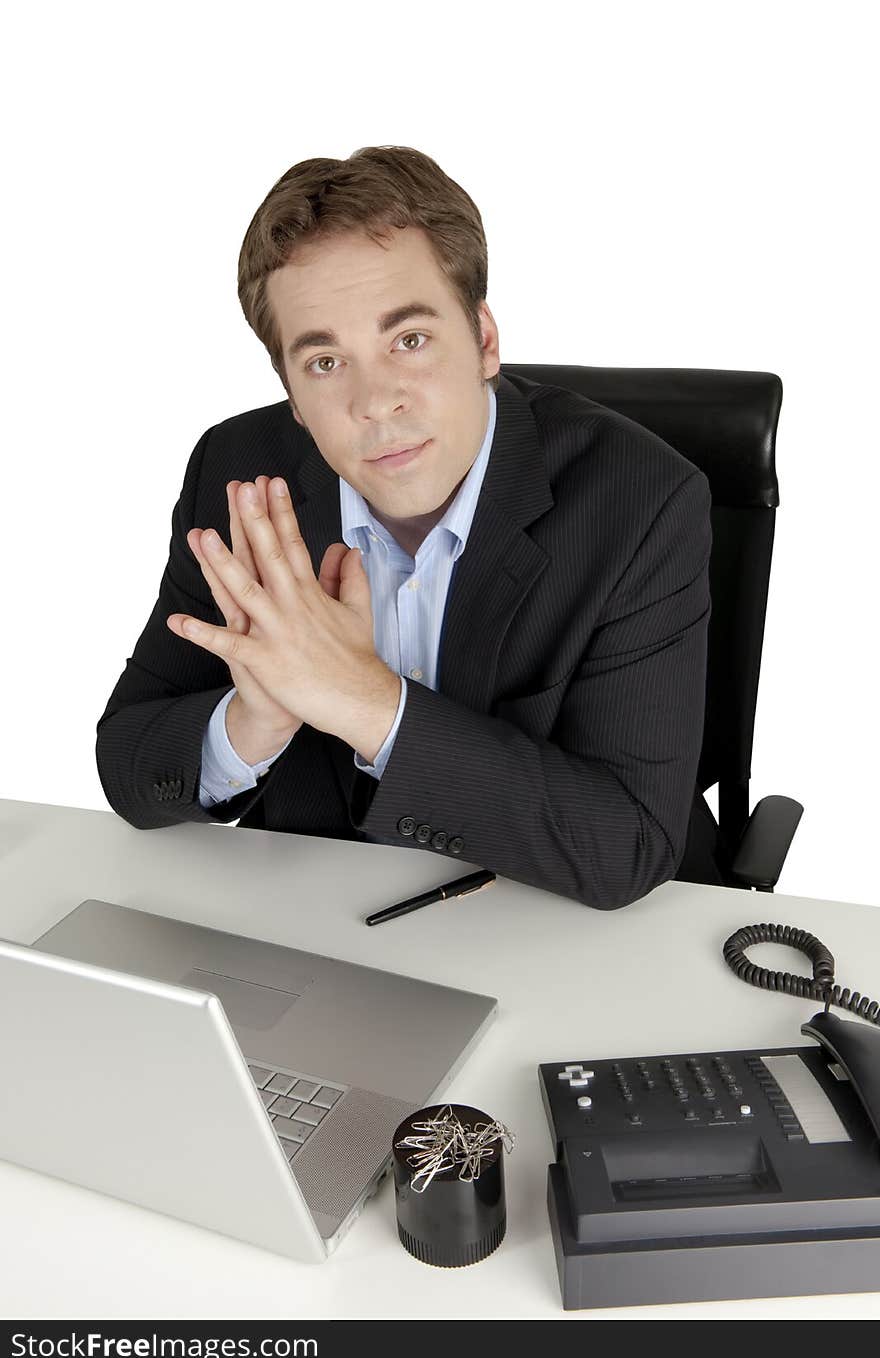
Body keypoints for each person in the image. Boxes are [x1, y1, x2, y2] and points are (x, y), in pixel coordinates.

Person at [95, 145, 712, 912]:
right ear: (290, 390)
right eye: (324, 362)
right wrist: (252, 720)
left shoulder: (641, 499)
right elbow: (127, 763)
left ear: (484, 339)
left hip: (547, 920)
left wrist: (366, 703)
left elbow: (628, 843)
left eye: (409, 340)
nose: (375, 401)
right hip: (323, 927)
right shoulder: (242, 472)